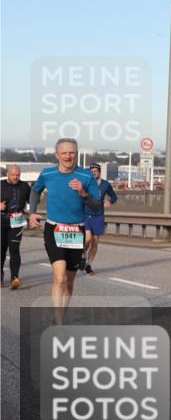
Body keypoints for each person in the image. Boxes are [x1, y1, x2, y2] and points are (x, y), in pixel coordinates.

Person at [28, 138, 101, 323]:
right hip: (54, 229)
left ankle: (62, 314)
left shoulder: (86, 176)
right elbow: (35, 192)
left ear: (76, 153)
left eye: (72, 152)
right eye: (64, 153)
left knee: (69, 282)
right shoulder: (48, 173)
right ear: (57, 154)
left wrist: (83, 193)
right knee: (59, 278)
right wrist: (32, 213)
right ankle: (59, 320)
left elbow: (97, 206)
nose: (68, 156)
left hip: (76, 231)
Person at [82, 163, 117, 275]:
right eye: (91, 171)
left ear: (99, 172)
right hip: (86, 214)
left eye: (95, 171)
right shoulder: (86, 183)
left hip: (99, 215)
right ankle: (82, 255)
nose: (93, 173)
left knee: (95, 242)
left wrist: (109, 202)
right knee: (87, 239)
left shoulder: (105, 184)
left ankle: (88, 264)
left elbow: (114, 196)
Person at [2, 165, 32, 290]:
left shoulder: (25, 186)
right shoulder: (0, 185)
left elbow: (32, 201)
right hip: (1, 221)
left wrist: (30, 213)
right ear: (8, 174)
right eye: (13, 175)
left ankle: (15, 277)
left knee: (14, 249)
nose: (15, 177)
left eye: (18, 175)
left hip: (17, 221)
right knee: (1, 250)